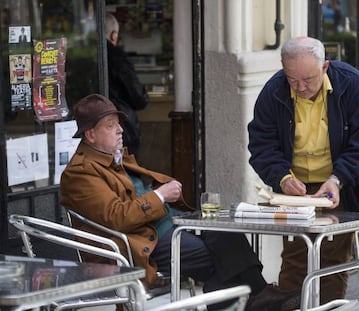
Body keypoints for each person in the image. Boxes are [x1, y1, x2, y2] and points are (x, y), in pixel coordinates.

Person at [60, 93, 300, 311]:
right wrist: (161, 195)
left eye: (118, 124)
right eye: (110, 126)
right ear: (90, 134)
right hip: (140, 242)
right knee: (218, 259)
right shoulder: (81, 173)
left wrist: (162, 194)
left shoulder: (112, 157)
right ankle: (259, 299)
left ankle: (259, 297)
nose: (120, 130)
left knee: (225, 233)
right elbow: (117, 217)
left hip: (166, 225)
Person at [248, 36, 359, 305]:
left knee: (333, 261)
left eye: (308, 79)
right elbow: (261, 144)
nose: (300, 87)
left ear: (325, 67)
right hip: (294, 188)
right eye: (292, 80)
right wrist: (282, 178)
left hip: (337, 185)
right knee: (296, 258)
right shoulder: (274, 91)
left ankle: (330, 309)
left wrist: (338, 179)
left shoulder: (352, 85)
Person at [106, 13, 148, 162]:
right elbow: (139, 98)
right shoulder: (118, 57)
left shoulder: (87, 55)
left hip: (92, 127)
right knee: (126, 172)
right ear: (113, 35)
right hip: (124, 125)